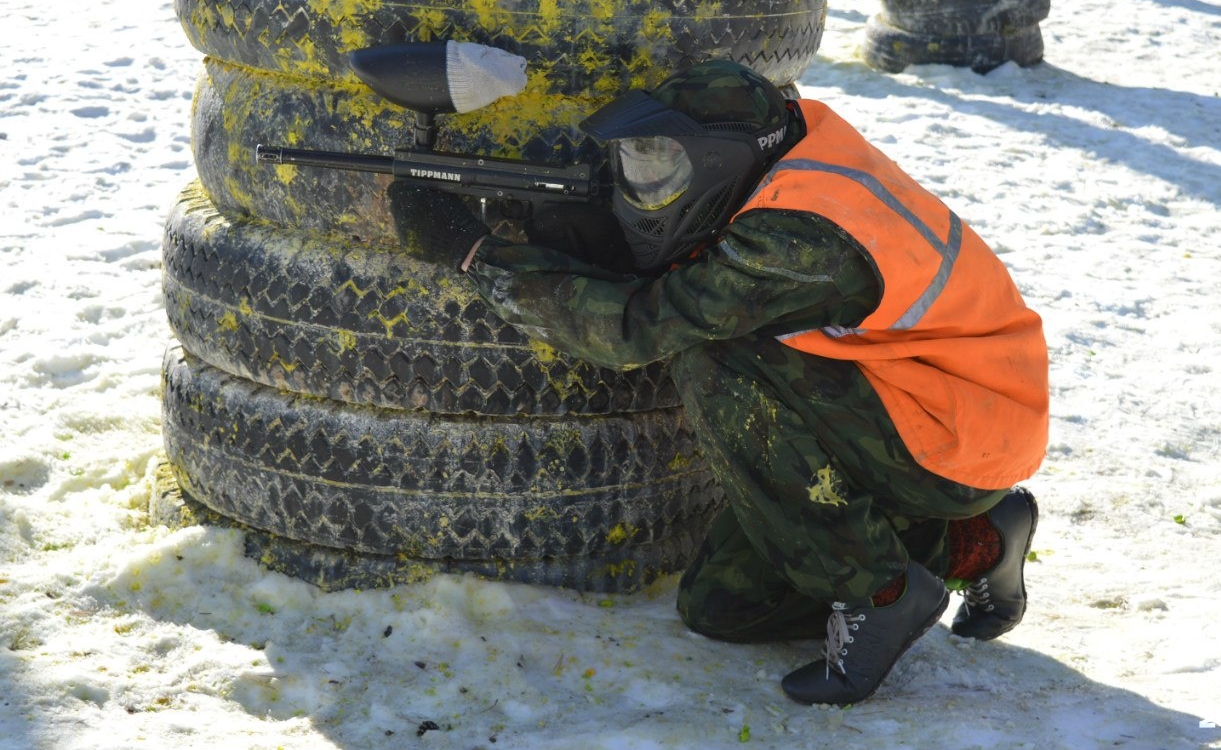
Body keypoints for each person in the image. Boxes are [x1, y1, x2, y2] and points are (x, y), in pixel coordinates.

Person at [387, 60, 1049, 705]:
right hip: (908, 396)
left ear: (720, 163)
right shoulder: (784, 153)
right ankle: (979, 537)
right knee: (722, 606)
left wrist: (477, 254)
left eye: (662, 169)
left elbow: (639, 328)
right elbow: (695, 254)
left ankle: (880, 593)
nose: (643, 185)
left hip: (965, 431)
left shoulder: (801, 236)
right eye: (636, 164)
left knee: (711, 357)